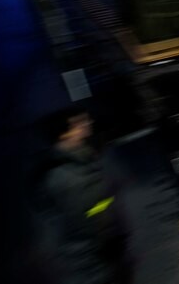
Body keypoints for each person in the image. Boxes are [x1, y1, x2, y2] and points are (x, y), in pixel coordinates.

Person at [29, 105, 129, 284]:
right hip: (91, 260)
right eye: (79, 122)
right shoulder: (64, 175)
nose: (87, 122)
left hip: (104, 252)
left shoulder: (81, 158)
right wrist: (108, 207)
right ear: (64, 133)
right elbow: (83, 218)